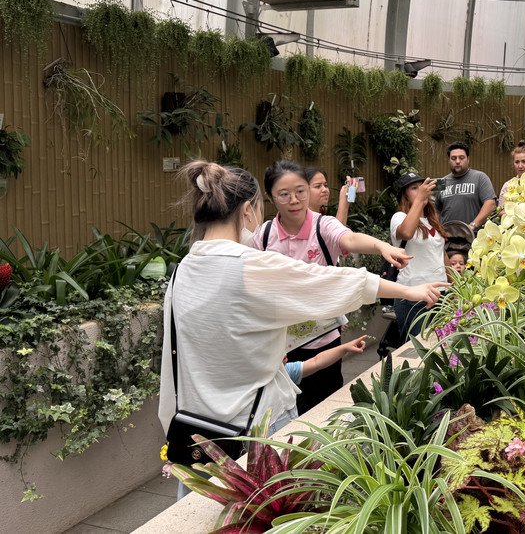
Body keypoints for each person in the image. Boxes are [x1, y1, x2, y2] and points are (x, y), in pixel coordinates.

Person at [158, 161, 444, 498]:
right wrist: (409, 290)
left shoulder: (182, 271)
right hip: (256, 433)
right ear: (249, 210)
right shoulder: (251, 265)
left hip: (196, 437)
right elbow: (326, 281)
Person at [249, 160, 410, 413]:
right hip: (283, 344)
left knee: (325, 406)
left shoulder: (322, 225)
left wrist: (382, 246)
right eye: (284, 194)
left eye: (300, 191)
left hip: (323, 338)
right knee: (287, 409)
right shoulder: (264, 235)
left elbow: (350, 238)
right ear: (271, 197)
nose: (294, 200)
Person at [390, 172, 449, 338]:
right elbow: (406, 233)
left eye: (422, 187)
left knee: (440, 346)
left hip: (440, 295)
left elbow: (441, 254)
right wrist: (419, 200)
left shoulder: (432, 220)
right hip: (413, 296)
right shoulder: (399, 217)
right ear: (404, 195)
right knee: (417, 348)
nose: (421, 190)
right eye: (414, 188)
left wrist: (455, 286)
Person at [435, 141, 497, 233]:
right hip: (447, 236)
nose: (457, 161)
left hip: (473, 236)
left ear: (468, 159)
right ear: (449, 160)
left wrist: (472, 226)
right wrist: (437, 230)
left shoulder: (480, 177)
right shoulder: (441, 182)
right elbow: (436, 211)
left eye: (461, 157)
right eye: (453, 158)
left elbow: (491, 204)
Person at [285, 336, 368, 385]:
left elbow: (316, 361)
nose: (284, 352)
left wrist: (345, 348)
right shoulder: (283, 373)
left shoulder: (286, 370)